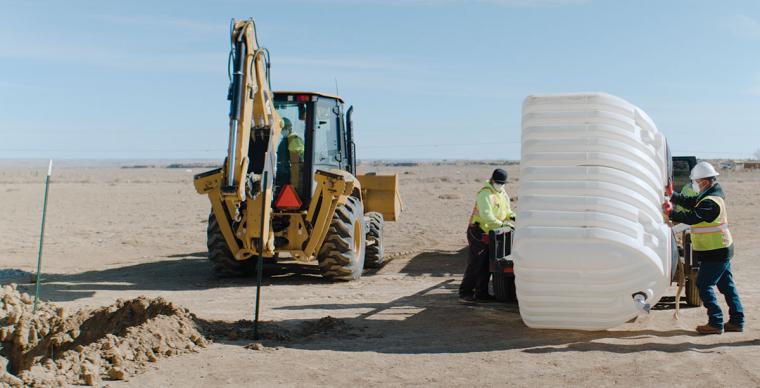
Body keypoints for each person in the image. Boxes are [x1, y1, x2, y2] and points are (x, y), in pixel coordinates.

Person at [667, 161, 743, 335]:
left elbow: (693, 217)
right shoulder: (707, 195)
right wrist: (673, 195)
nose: (693, 184)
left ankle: (716, 323)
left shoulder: (711, 202)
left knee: (703, 284)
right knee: (727, 287)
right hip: (719, 248)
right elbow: (690, 202)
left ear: (705, 181)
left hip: (716, 251)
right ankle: (737, 321)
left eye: (696, 180)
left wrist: (670, 213)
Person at [459, 168, 515, 303]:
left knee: (487, 265)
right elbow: (487, 215)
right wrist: (501, 225)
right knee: (476, 263)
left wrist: (513, 217)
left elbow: (507, 211)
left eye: (503, 183)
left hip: (493, 232)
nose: (501, 185)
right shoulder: (485, 194)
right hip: (478, 232)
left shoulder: (502, 193)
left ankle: (481, 293)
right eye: (499, 183)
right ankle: (465, 293)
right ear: (493, 180)